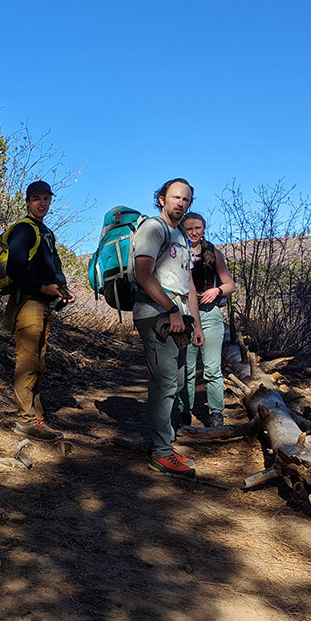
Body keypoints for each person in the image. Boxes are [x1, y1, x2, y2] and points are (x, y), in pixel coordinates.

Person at [132, 178, 203, 475]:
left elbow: (188, 285)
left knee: (175, 380)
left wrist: (195, 324)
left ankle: (165, 445)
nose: (181, 203)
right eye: (176, 197)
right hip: (156, 313)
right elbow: (143, 275)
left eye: (186, 200)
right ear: (161, 199)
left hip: (178, 315)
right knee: (164, 382)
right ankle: (161, 453)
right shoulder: (153, 228)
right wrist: (171, 309)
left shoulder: (181, 236)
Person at [4, 179, 74, 441]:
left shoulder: (45, 232)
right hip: (29, 302)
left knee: (39, 361)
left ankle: (37, 417)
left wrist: (62, 290)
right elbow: (14, 270)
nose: (42, 203)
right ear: (28, 202)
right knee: (28, 361)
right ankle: (25, 420)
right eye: (37, 199)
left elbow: (53, 266)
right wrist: (42, 288)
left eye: (46, 198)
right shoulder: (24, 230)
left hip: (42, 302)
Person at [177, 212, 235, 428]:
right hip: (185, 315)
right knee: (187, 368)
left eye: (197, 228)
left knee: (212, 368)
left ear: (204, 229)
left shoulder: (212, 252)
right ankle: (184, 412)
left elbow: (230, 284)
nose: (193, 232)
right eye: (189, 228)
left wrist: (217, 290)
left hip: (210, 314)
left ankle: (217, 413)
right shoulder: (176, 251)